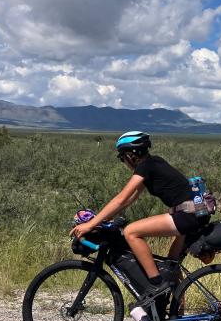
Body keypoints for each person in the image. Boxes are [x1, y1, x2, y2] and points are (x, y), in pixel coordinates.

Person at [70, 130, 210, 308]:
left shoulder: (146, 167)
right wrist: (102, 219)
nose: (124, 162)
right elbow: (128, 200)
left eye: (122, 158)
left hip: (186, 215)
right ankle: (177, 320)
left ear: (131, 155)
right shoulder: (154, 163)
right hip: (195, 213)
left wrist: (91, 224)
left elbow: (121, 198)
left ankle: (156, 285)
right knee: (171, 266)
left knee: (131, 232)